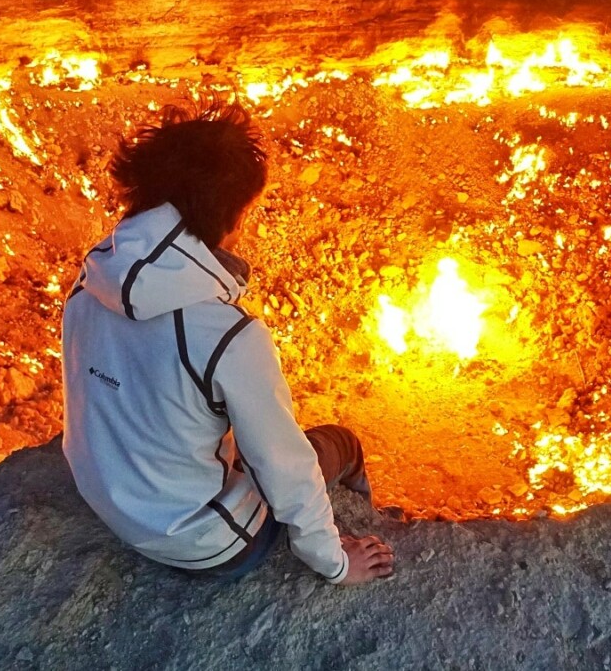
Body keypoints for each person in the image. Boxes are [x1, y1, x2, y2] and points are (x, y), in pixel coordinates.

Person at [61, 103, 394, 585]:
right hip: (204, 541)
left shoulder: (90, 280)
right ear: (230, 218)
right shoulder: (226, 334)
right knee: (337, 443)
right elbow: (284, 466)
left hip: (106, 497)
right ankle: (364, 520)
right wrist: (334, 562)